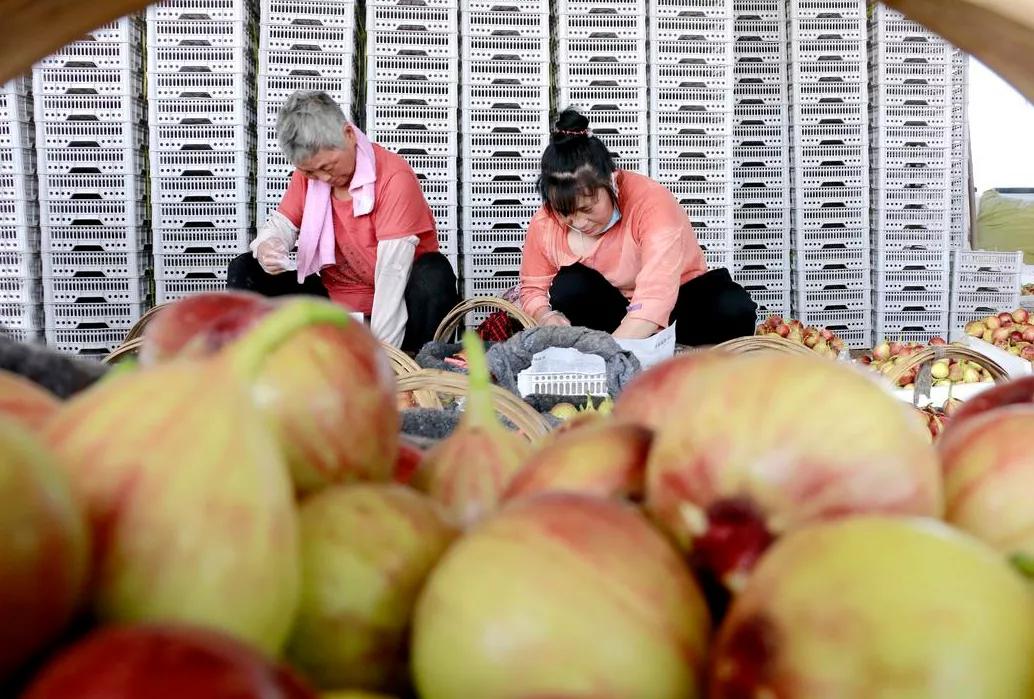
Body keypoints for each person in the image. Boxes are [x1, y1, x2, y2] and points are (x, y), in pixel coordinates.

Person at [227, 91, 459, 351]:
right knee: (246, 268)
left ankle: (413, 368)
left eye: (328, 167)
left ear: (348, 135)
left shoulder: (394, 179)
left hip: (399, 309)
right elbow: (282, 224)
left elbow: (392, 277)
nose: (322, 179)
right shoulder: (308, 179)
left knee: (433, 274)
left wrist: (382, 359)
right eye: (309, 171)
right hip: (338, 306)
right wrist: (270, 245)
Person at [518, 108, 759, 346]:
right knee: (569, 288)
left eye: (588, 209)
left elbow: (657, 295)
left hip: (677, 301)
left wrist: (611, 354)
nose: (580, 223)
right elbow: (532, 289)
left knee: (731, 308)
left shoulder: (651, 202)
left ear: (611, 182)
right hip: (612, 311)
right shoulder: (545, 222)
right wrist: (545, 315)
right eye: (566, 213)